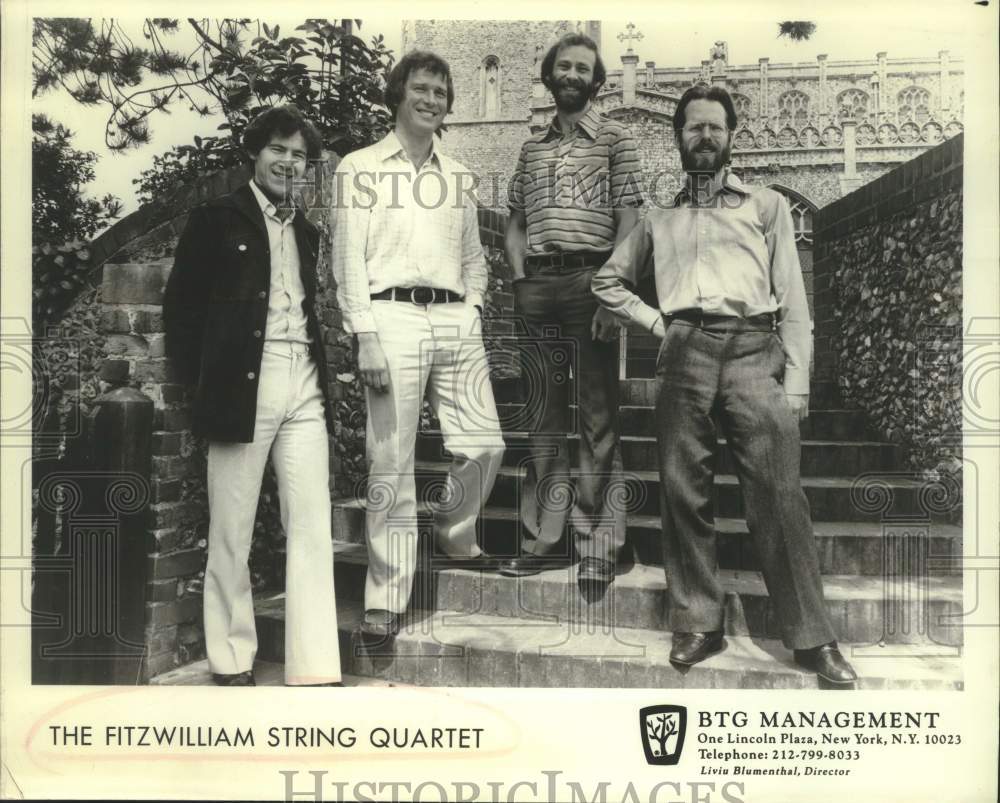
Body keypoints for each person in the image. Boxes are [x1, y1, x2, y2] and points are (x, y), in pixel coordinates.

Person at [591, 85, 858, 686]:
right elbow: (608, 281)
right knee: (683, 492)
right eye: (695, 127)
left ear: (731, 136)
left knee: (779, 494)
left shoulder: (767, 206)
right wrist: (658, 324)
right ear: (679, 137)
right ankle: (698, 622)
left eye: (715, 127)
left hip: (753, 350)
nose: (705, 136)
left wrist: (797, 381)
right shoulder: (660, 217)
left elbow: (793, 300)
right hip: (683, 351)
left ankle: (812, 637)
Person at [163, 105, 342, 686]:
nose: (289, 163)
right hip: (243, 384)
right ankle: (231, 657)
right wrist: (205, 385)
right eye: (278, 150)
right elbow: (182, 312)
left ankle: (315, 666)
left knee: (311, 524)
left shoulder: (308, 232)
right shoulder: (217, 219)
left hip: (304, 385)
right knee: (231, 528)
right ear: (255, 153)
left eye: (299, 156)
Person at [331, 51, 505, 643]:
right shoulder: (359, 168)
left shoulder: (458, 177)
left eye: (441, 93)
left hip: (454, 316)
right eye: (422, 89)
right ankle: (385, 597)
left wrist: (473, 308)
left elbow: (475, 256)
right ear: (398, 95)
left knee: (484, 442)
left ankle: (453, 534)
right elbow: (348, 260)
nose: (432, 100)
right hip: (390, 316)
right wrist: (365, 334)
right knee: (390, 459)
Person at [502, 33, 643, 586]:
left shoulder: (615, 139)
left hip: (591, 283)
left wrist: (613, 293)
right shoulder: (530, 148)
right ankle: (546, 539)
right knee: (542, 415)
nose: (572, 75)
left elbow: (630, 223)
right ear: (550, 74)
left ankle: (598, 545)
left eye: (583, 68)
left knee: (597, 419)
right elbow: (515, 222)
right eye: (564, 66)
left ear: (596, 80)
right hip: (538, 285)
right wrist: (519, 279)